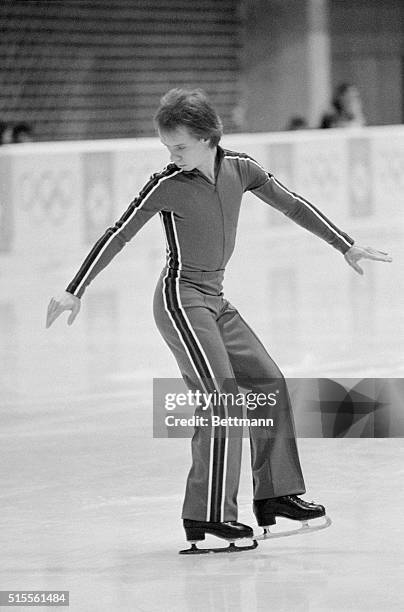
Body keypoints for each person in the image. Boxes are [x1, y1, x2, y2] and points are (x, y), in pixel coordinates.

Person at [46, 88, 391, 553]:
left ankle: (276, 495)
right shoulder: (165, 184)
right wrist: (74, 288)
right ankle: (207, 516)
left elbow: (292, 203)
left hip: (215, 300)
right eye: (168, 148)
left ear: (210, 137)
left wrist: (344, 244)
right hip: (180, 300)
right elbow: (118, 233)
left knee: (268, 381)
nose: (173, 156)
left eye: (181, 147)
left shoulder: (241, 169)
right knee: (222, 400)